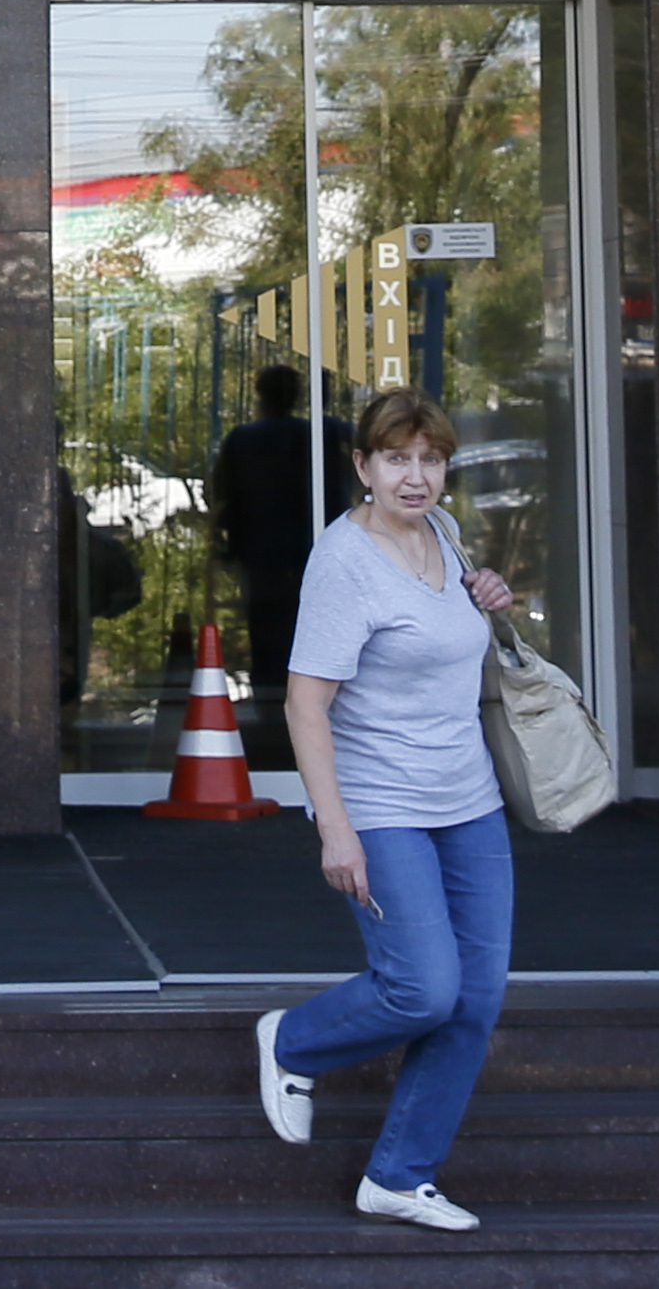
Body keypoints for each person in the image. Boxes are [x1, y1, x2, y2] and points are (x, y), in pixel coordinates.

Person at [250, 385, 518, 1233]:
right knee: (421, 988)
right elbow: (303, 703)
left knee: (473, 998)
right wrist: (336, 827)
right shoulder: (343, 559)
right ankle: (292, 1041)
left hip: (468, 799)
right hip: (381, 804)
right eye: (395, 458)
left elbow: (450, 649)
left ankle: (400, 1176)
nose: (414, 475)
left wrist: (489, 599)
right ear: (361, 465)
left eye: (430, 458)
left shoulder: (441, 534)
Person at [205, 364, 358, 736]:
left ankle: (272, 715)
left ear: (260, 396)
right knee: (320, 632)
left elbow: (220, 494)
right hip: (316, 551)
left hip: (264, 554)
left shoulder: (244, 439)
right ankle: (320, 714)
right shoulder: (329, 433)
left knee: (268, 634)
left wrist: (225, 542)